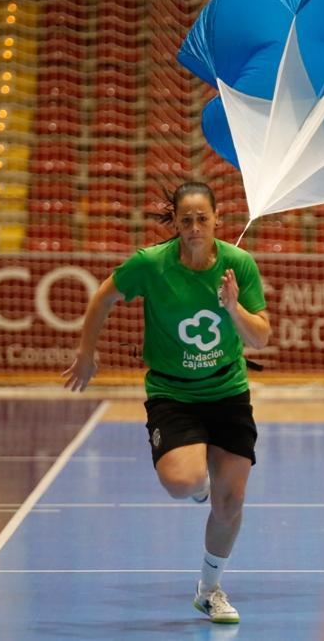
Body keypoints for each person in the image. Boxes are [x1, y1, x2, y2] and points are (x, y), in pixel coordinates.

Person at [63, 181, 270, 624]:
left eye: (203, 218)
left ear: (218, 219)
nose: (195, 227)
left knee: (231, 501)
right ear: (175, 222)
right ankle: (199, 487)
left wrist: (233, 308)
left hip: (228, 391)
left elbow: (262, 337)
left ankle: (209, 589)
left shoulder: (239, 266)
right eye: (186, 219)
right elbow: (104, 296)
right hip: (173, 392)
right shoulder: (151, 265)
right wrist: (86, 352)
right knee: (183, 482)